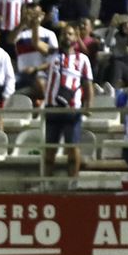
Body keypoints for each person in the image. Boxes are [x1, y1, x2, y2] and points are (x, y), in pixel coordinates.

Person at [43, 23, 92, 184]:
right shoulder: (52, 56)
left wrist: (88, 106)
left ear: (76, 36)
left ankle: (73, 181)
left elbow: (87, 84)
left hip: (72, 108)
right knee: (50, 149)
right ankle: (46, 182)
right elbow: (37, 44)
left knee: (72, 147)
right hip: (52, 107)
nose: (66, 37)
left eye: (70, 34)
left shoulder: (82, 59)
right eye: (63, 34)